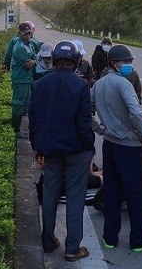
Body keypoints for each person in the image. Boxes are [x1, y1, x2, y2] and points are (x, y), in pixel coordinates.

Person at [29, 40, 95, 262]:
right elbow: (84, 124)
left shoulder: (39, 85)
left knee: (50, 194)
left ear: (54, 60)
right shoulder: (80, 86)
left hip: (50, 149)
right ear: (76, 61)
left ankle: (48, 242)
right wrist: (89, 148)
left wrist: (36, 146)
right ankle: (72, 248)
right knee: (75, 197)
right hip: (76, 150)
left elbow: (34, 120)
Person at [92, 44, 142, 253]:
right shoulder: (124, 84)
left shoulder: (98, 85)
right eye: (127, 62)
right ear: (115, 64)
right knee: (135, 193)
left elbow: (85, 110)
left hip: (109, 144)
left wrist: (100, 130)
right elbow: (135, 113)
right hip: (129, 146)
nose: (129, 65)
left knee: (112, 191)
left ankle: (110, 238)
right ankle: (137, 241)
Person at [10, 22, 39, 139]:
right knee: (18, 104)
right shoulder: (18, 47)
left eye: (29, 33)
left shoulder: (28, 44)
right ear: (20, 34)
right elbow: (28, 64)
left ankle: (18, 128)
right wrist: (33, 61)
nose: (28, 36)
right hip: (20, 79)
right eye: (25, 34)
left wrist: (34, 61)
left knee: (24, 105)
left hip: (26, 79)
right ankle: (15, 129)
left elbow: (35, 57)